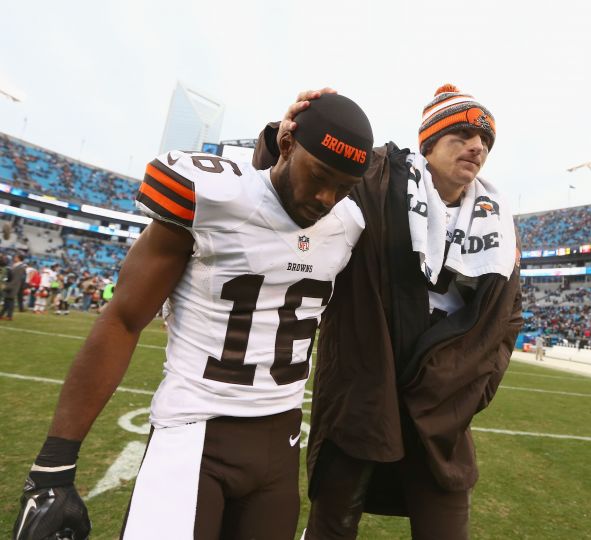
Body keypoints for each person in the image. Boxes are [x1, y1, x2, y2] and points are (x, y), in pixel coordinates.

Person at [12, 93, 374, 540]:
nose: (326, 197)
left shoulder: (349, 223)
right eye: (319, 176)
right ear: (286, 144)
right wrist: (55, 461)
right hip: (194, 436)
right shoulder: (216, 198)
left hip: (281, 446)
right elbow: (123, 319)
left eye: (343, 188)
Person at [253, 85, 521, 539]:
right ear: (429, 143)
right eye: (462, 134)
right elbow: (297, 179)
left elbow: (507, 319)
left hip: (442, 407)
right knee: (332, 524)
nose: (477, 147)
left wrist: (473, 391)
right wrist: (285, 136)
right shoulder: (377, 176)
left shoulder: (499, 223)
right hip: (363, 392)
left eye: (486, 141)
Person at [1, 253, 26, 320]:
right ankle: (2, 314)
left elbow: (16, 279)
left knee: (10, 300)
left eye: (15, 257)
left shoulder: (20, 267)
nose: (14, 258)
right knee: (7, 300)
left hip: (13, 286)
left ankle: (9, 316)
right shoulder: (15, 265)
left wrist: (8, 286)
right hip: (10, 285)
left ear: (19, 258)